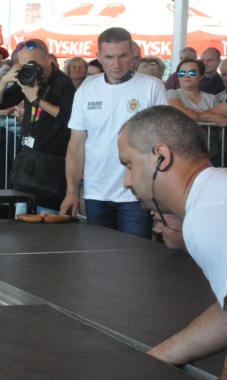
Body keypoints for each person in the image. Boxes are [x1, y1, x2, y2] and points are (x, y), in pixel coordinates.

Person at [117, 105, 227, 380]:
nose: (127, 181)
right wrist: (161, 355)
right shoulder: (222, 193)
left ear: (160, 156)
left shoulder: (207, 215)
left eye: (128, 164)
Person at [59, 27, 167, 238]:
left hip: (137, 194)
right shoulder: (86, 90)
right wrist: (71, 191)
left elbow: (164, 142)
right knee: (98, 263)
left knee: (135, 261)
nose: (116, 64)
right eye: (109, 57)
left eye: (122, 56)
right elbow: (76, 145)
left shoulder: (152, 87)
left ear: (132, 56)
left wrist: (161, 194)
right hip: (96, 192)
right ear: (98, 56)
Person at [0, 39, 75, 212]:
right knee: (20, 222)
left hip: (53, 164)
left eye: (34, 63)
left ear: (48, 59)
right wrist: (4, 81)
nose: (30, 68)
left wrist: (37, 100)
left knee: (46, 227)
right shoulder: (27, 78)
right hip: (29, 162)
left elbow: (70, 117)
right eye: (24, 65)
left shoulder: (63, 83)